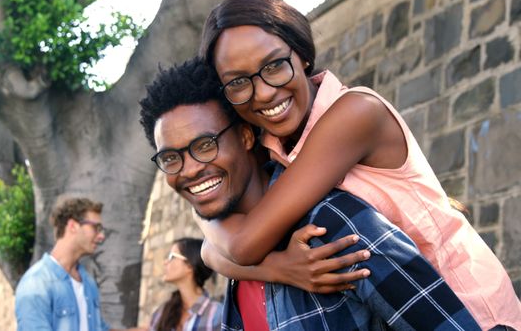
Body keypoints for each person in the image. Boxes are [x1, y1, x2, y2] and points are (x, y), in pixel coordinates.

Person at [196, 0, 521, 329]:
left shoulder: (355, 113)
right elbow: (210, 249)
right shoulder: (274, 144)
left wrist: (210, 215)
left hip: (466, 309)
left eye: (275, 65)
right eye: (238, 82)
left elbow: (243, 244)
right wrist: (279, 268)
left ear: (303, 55)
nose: (262, 92)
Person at [139, 57, 480, 330]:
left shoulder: (334, 227)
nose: (189, 169)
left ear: (245, 137)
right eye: (171, 157)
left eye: (205, 145)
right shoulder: (230, 255)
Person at [15, 197, 144, 331]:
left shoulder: (87, 282)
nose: (101, 236)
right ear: (73, 226)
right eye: (96, 228)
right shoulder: (36, 283)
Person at [149, 238, 222, 331]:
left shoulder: (217, 315)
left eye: (172, 257)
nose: (165, 262)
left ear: (190, 265)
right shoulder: (162, 312)